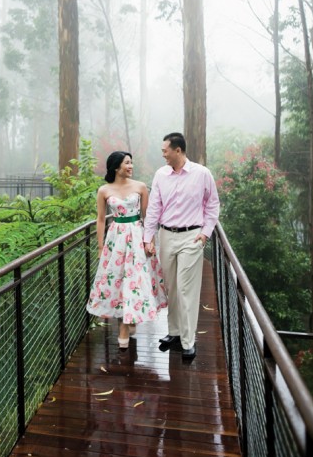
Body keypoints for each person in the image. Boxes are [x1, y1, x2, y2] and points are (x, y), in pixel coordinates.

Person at [144, 132, 220, 360]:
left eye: (165, 151)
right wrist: (148, 237)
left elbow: (213, 205)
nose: (163, 155)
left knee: (186, 289)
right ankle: (174, 332)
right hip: (166, 236)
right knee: (172, 287)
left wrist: (205, 233)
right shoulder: (161, 175)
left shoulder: (202, 174)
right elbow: (154, 208)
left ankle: (188, 341)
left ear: (178, 150)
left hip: (191, 237)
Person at [86, 150, 167, 349]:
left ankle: (127, 323)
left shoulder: (140, 187)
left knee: (134, 279)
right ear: (116, 167)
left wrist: (150, 241)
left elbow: (148, 217)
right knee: (118, 278)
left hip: (137, 236)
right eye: (127, 163)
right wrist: (100, 246)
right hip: (116, 239)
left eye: (131, 162)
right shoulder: (104, 190)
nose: (131, 166)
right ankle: (126, 320)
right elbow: (100, 219)